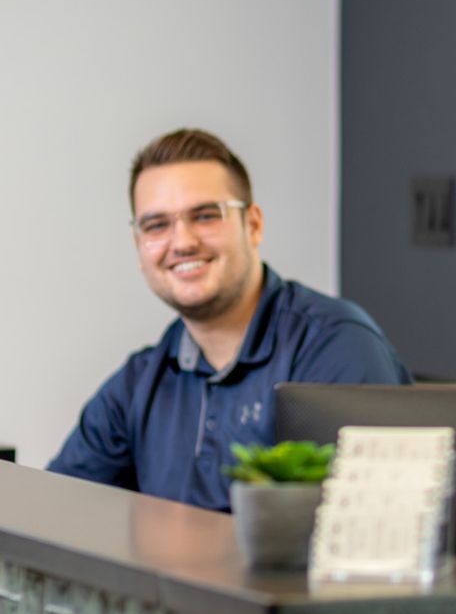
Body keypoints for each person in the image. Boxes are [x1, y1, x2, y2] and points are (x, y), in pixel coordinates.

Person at [48, 128, 411, 510]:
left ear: (253, 225)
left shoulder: (336, 348)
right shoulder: (140, 384)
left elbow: (368, 528)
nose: (183, 241)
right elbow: (54, 512)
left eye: (205, 216)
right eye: (157, 225)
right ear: (140, 248)